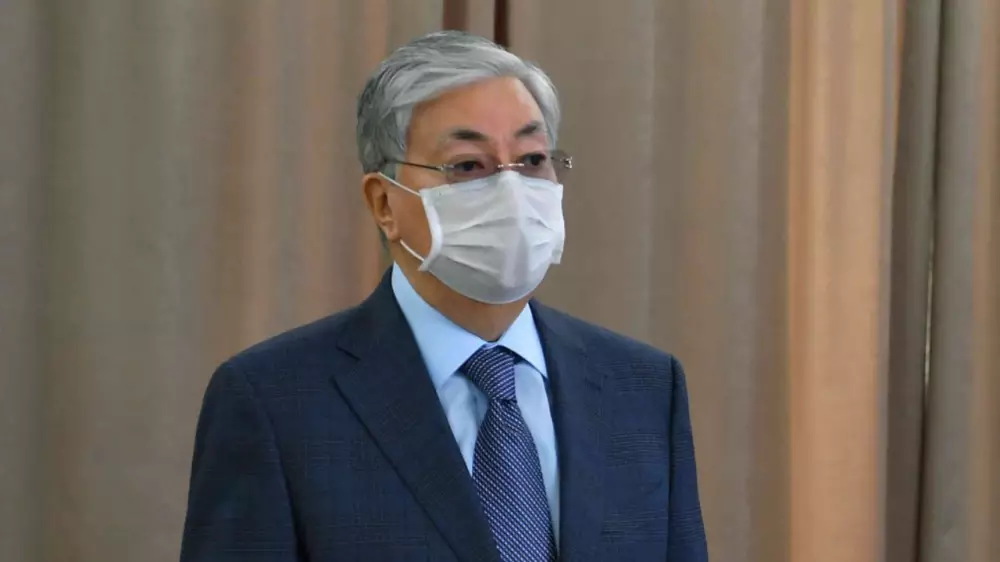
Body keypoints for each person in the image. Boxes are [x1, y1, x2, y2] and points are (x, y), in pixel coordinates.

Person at [180, 30, 707, 562]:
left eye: (531, 160)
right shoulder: (275, 402)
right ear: (384, 203)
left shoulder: (644, 388)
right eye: (468, 166)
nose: (511, 192)